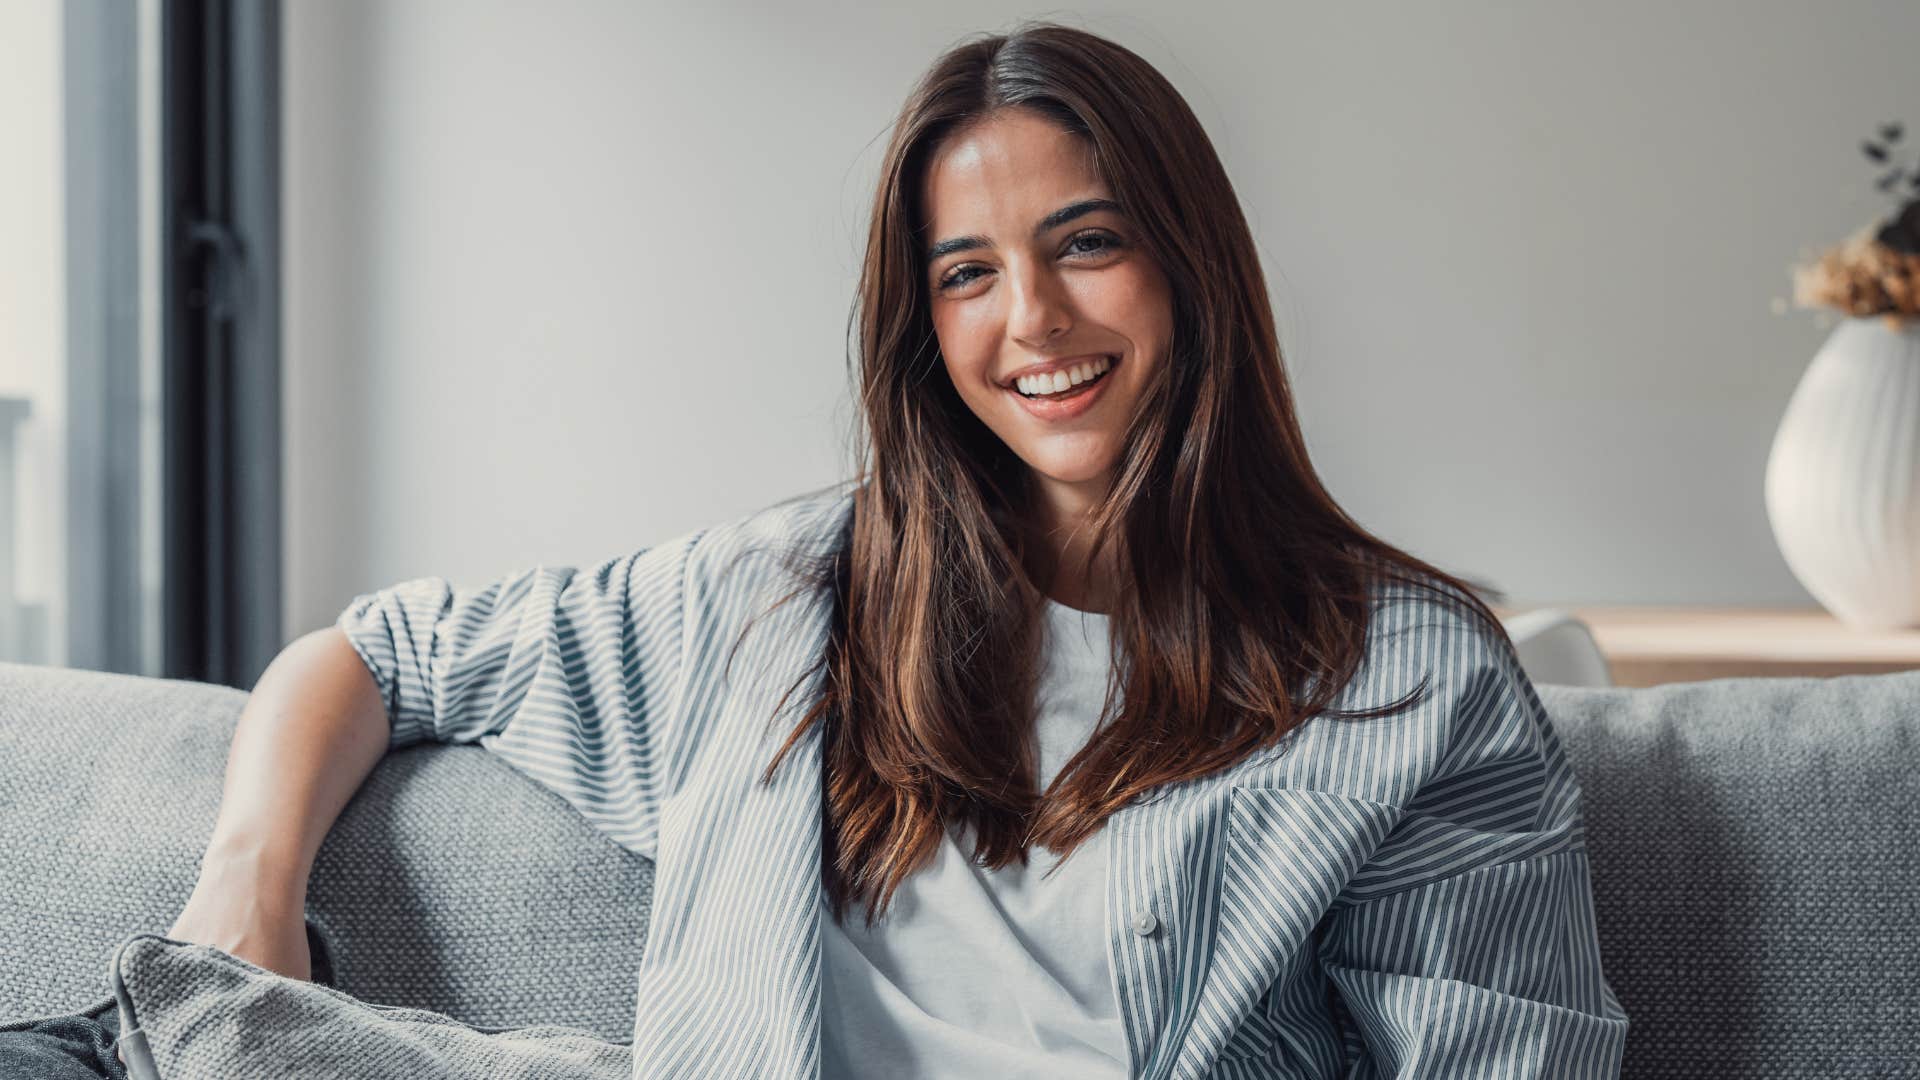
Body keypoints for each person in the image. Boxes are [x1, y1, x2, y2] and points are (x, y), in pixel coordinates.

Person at [3, 18, 1629, 1079]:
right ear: (922, 324)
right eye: (968, 273)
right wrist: (250, 881)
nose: (1036, 321)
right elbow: (380, 651)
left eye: (1088, 244)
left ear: (1191, 263)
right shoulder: (785, 598)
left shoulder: (1410, 680)